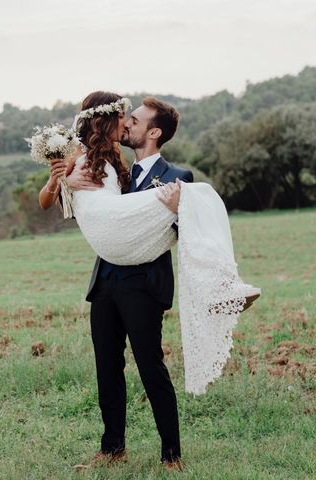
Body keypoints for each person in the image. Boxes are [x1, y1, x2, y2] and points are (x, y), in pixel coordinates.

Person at [39, 92, 260, 472]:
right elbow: (95, 213)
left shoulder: (178, 179)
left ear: (154, 132)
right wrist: (66, 177)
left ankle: (171, 454)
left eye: (136, 121)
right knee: (106, 366)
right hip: (106, 279)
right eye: (126, 119)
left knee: (150, 366)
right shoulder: (111, 166)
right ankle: (112, 448)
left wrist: (180, 210)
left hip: (144, 284)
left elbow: (187, 232)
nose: (127, 124)